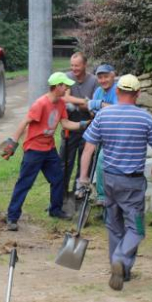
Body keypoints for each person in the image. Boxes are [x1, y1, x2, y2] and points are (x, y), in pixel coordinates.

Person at [77, 74, 152, 291]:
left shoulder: (103, 116)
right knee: (136, 228)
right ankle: (120, 258)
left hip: (108, 180)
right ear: (137, 94)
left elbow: (88, 149)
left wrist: (82, 178)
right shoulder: (145, 118)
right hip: (132, 183)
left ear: (117, 92)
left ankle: (120, 270)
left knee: (113, 224)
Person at [1, 72, 90, 231]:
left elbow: (66, 123)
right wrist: (13, 142)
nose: (67, 88)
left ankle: (55, 210)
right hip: (34, 150)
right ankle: (12, 217)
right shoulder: (41, 103)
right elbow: (25, 121)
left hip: (49, 149)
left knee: (58, 179)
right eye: (65, 86)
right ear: (57, 87)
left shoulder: (61, 103)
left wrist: (85, 124)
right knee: (24, 183)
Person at [60, 52, 98, 201]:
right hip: (69, 122)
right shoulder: (67, 77)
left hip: (88, 123)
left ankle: (79, 192)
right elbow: (65, 98)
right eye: (72, 65)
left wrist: (80, 103)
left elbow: (93, 106)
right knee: (65, 161)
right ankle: (62, 193)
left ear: (84, 65)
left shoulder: (93, 81)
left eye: (77, 65)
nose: (74, 68)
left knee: (84, 159)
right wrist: (84, 101)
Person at [88, 64, 118, 207]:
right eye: (100, 77)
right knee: (97, 163)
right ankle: (102, 198)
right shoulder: (98, 91)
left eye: (106, 76)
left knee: (101, 162)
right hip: (101, 133)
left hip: (116, 135)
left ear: (113, 75)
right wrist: (96, 107)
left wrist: (99, 104)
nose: (103, 80)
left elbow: (119, 110)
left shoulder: (118, 90)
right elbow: (92, 111)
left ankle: (104, 198)